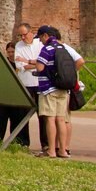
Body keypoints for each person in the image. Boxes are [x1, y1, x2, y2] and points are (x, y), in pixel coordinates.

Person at [34, 25, 70, 158]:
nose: (40, 41)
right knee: (61, 120)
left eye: (40, 38)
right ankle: (63, 150)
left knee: (50, 119)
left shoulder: (47, 49)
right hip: (63, 88)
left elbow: (39, 67)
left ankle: (51, 151)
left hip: (48, 88)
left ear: (45, 36)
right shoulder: (62, 48)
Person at [52, 29, 85, 156]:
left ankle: (65, 147)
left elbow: (80, 61)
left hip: (66, 87)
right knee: (58, 119)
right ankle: (57, 146)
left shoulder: (64, 47)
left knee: (64, 119)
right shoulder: (58, 48)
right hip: (61, 86)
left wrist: (68, 73)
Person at [13, 23, 44, 150]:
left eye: (24, 35)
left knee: (43, 115)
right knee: (23, 115)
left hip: (40, 83)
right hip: (26, 84)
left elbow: (44, 62)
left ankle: (46, 144)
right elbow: (20, 66)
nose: (22, 38)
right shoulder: (18, 46)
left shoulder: (40, 44)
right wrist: (36, 63)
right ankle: (23, 143)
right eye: (20, 35)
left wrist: (28, 62)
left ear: (31, 32)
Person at [0, 42, 23, 143]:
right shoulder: (5, 62)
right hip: (5, 93)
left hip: (17, 94)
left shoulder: (20, 63)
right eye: (9, 52)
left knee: (16, 118)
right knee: (0, 118)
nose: (11, 54)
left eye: (13, 51)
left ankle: (16, 140)